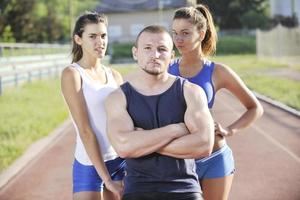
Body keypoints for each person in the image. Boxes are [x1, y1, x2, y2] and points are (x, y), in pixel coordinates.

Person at [105, 25, 215, 200]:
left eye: (162, 49)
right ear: (135, 53)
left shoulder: (191, 92)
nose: (155, 55)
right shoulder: (118, 97)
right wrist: (176, 130)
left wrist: (142, 143)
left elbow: (204, 144)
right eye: (147, 48)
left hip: (184, 189)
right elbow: (124, 147)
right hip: (138, 189)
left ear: (171, 56)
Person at [168, 5, 264, 200]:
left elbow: (255, 108)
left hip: (215, 158)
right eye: (175, 33)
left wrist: (230, 130)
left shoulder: (217, 71)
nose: (178, 39)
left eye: (185, 33)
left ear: (201, 33)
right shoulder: (167, 69)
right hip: (178, 161)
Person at [61, 11, 125, 200]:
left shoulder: (115, 75)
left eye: (103, 36)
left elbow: (126, 121)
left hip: (119, 161)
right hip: (89, 164)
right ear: (78, 39)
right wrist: (107, 179)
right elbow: (85, 130)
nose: (100, 41)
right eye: (93, 36)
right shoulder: (72, 74)